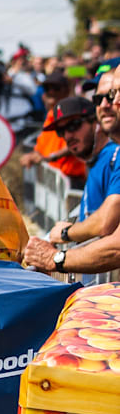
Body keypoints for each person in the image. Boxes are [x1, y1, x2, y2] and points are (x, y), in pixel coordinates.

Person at [23, 95, 120, 273]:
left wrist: (66, 234)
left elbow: (106, 224)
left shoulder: (112, 157)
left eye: (74, 126)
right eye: (62, 131)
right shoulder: (95, 161)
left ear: (95, 122)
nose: (68, 136)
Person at [22, 72, 89, 185]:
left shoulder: (73, 113)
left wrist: (49, 157)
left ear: (66, 90)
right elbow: (42, 146)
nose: (51, 92)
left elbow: (76, 143)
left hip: (70, 179)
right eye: (47, 88)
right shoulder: (50, 115)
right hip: (53, 179)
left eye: (56, 88)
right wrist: (33, 155)